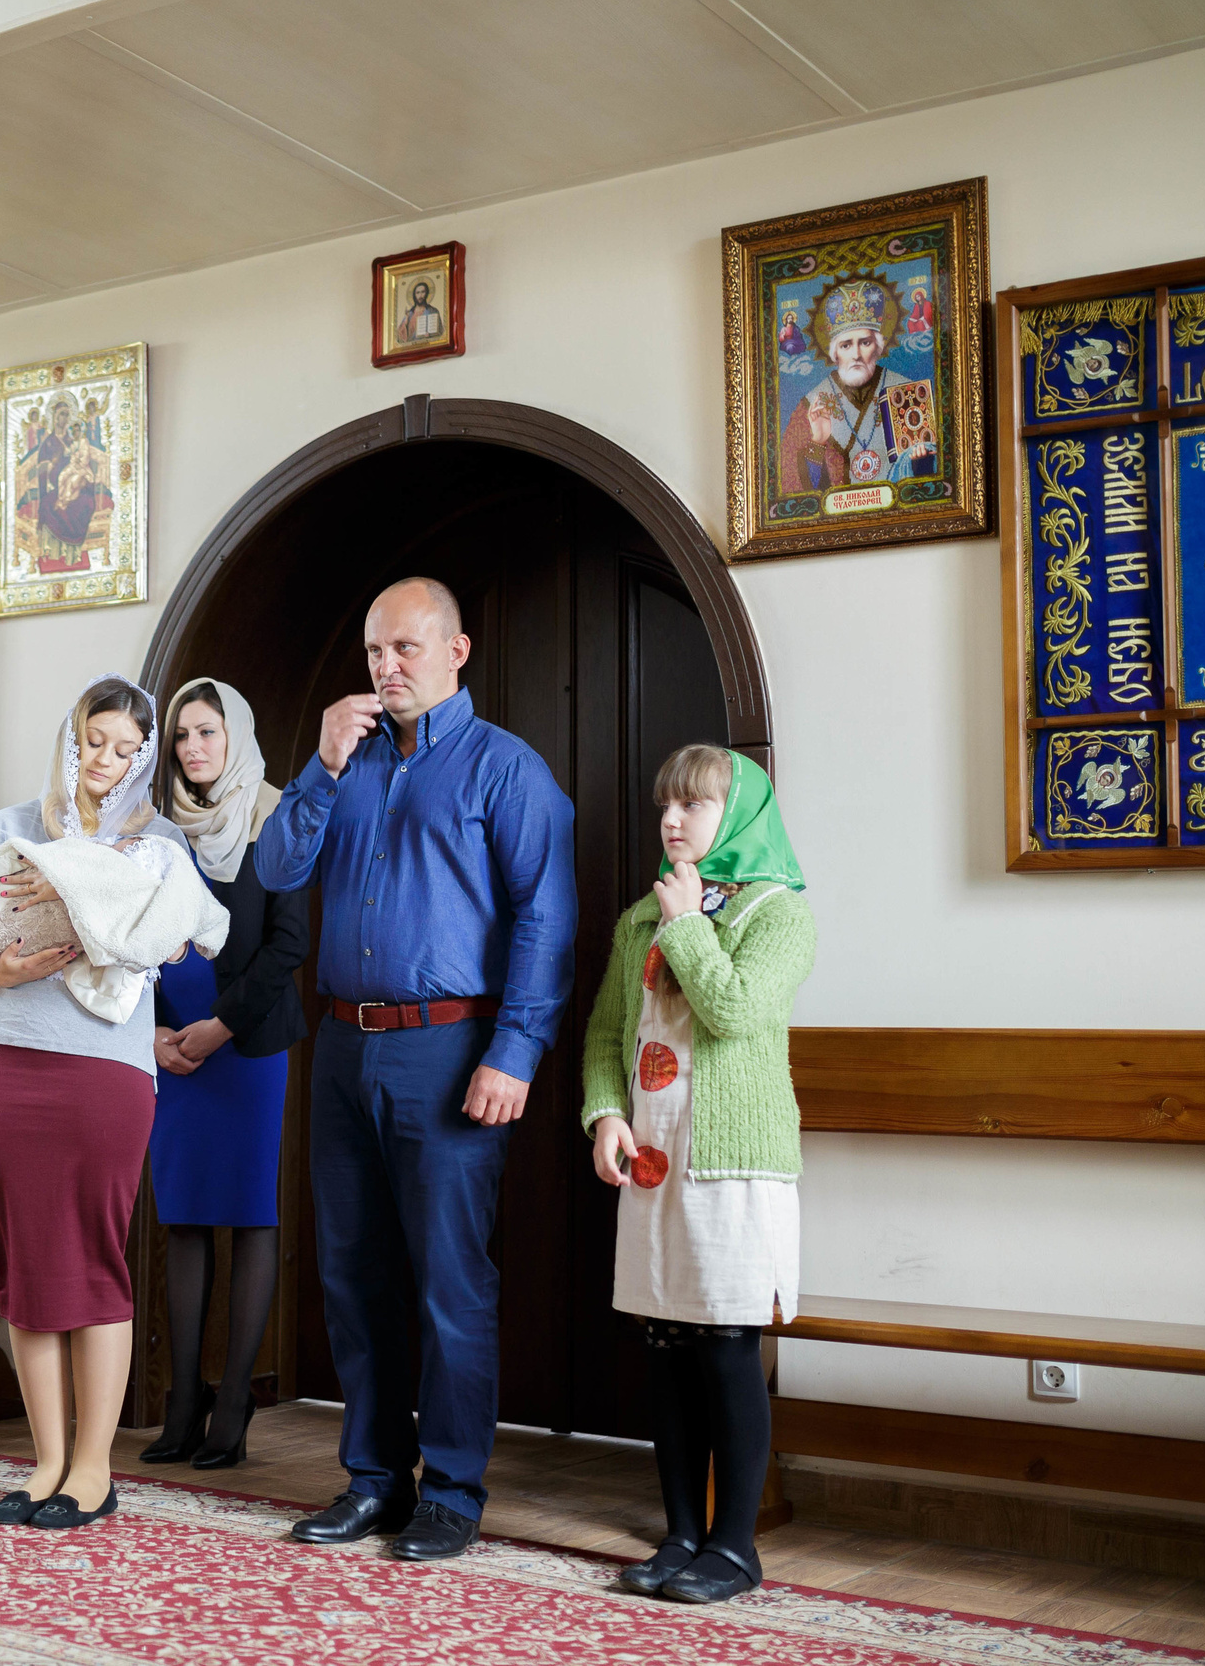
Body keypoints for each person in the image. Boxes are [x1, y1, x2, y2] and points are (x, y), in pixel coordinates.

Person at [255, 576, 577, 1563]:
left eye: (405, 648)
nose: (386, 667)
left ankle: (453, 1490)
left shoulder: (506, 769)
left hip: (450, 1049)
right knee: (352, 1274)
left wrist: (515, 1051)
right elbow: (275, 870)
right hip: (342, 1047)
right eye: (373, 652)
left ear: (455, 651)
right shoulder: (343, 763)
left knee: (448, 1279)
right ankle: (374, 1480)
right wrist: (317, 767)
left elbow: (546, 917)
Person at [0, 675, 201, 1531]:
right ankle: (45, 1465)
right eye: (93, 741)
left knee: (96, 1258)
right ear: (70, 738)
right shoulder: (10, 828)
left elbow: (177, 941)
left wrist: (96, 899)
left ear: (142, 759)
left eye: (125, 749)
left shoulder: (156, 845)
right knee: (26, 1261)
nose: (105, 761)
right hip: (9, 1066)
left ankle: (93, 1470)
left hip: (108, 1074)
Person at [581, 743, 814, 1605]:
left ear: (738, 814)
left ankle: (734, 1545)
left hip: (735, 1163)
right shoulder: (640, 917)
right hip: (655, 1157)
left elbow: (735, 1012)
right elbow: (608, 1033)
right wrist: (605, 1113)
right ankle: (681, 1532)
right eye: (666, 806)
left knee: (724, 1344)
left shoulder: (779, 912)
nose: (672, 820)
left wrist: (686, 925)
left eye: (693, 805)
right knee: (667, 1344)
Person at [140, 678, 308, 1471]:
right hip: (172, 1048)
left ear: (235, 734)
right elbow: (128, 934)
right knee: (183, 1217)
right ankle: (183, 1400)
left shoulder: (275, 818)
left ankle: (234, 1400)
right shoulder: (155, 828)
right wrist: (154, 1032)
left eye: (207, 731)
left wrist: (221, 1025)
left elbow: (289, 943)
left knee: (247, 1213)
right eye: (182, 735)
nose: (193, 747)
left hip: (245, 1045)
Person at [775, 275, 936, 495]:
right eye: (846, 345)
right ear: (835, 353)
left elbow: (934, 480)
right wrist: (818, 441)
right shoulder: (810, 405)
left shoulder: (908, 391)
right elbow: (793, 489)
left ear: (877, 347)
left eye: (865, 342)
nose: (856, 354)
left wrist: (920, 461)